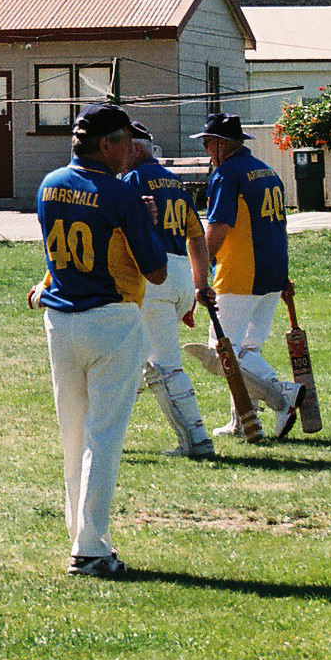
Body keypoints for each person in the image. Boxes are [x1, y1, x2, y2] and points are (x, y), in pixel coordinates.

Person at [30, 104, 168, 577]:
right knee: (103, 437)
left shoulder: (49, 183)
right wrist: (145, 222)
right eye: (126, 140)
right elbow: (156, 270)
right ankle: (90, 548)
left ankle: (81, 535)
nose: (133, 148)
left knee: (73, 435)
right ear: (105, 144)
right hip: (110, 318)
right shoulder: (119, 191)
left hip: (61, 319)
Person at [192, 112, 304, 439]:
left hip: (241, 272)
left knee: (222, 352)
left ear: (220, 143)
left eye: (207, 143)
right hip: (273, 270)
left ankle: (282, 393)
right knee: (248, 350)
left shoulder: (228, 173)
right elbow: (280, 225)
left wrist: (200, 271)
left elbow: (218, 227)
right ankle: (241, 419)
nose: (207, 150)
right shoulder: (266, 170)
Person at [118, 122, 215, 458]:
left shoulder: (132, 180)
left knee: (165, 365)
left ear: (134, 147)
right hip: (180, 274)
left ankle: (197, 440)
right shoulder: (174, 181)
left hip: (152, 276)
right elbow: (197, 237)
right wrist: (201, 285)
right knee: (134, 361)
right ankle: (103, 430)